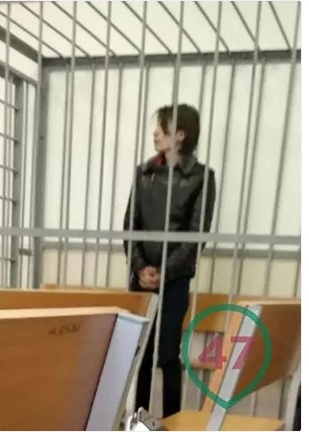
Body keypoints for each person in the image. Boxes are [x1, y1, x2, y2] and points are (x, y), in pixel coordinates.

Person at [123, 103, 217, 418]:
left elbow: (196, 235)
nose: (155, 133)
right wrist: (140, 267)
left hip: (175, 279)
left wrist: (164, 272)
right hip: (141, 277)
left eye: (162, 128)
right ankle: (140, 421)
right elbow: (130, 225)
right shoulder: (143, 173)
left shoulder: (202, 178)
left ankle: (173, 421)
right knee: (141, 353)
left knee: (167, 354)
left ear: (181, 134)